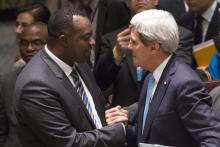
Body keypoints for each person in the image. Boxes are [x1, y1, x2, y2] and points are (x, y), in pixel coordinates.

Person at [13, 7, 128, 147]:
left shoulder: (77, 60)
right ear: (64, 40)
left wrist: (114, 114)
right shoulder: (35, 85)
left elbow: (97, 105)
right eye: (86, 37)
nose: (92, 42)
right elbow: (69, 142)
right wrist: (118, 131)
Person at [106, 9, 220, 146]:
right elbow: (146, 135)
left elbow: (214, 139)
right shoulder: (151, 77)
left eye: (134, 42)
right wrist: (122, 127)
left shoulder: (184, 83)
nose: (129, 47)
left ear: (154, 47)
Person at [94, 0, 194, 107]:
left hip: (163, 111)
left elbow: (180, 77)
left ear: (156, 1)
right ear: (127, 2)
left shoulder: (178, 35)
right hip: (122, 114)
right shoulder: (112, 40)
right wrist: (117, 53)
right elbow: (99, 84)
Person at [0, 22, 48, 147]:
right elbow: (2, 130)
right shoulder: (6, 82)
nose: (29, 48)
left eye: (37, 43)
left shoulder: (64, 79)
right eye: (24, 43)